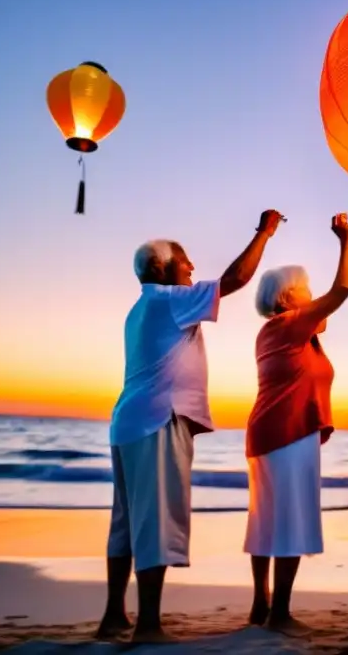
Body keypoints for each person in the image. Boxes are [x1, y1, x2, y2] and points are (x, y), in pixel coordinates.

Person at [96, 209, 285, 643]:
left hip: (129, 422)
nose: (192, 267)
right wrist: (265, 232)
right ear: (163, 268)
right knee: (157, 521)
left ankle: (113, 618)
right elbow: (235, 279)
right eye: (185, 260)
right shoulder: (168, 299)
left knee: (126, 522)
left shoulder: (142, 307)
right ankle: (147, 626)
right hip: (158, 420)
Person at [244, 213, 348, 633]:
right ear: (288, 299)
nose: (313, 298)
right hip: (287, 434)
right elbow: (343, 289)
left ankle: (261, 606)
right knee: (287, 519)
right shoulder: (291, 326)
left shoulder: (281, 330)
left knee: (266, 520)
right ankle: (280, 613)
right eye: (306, 292)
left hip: (269, 433)